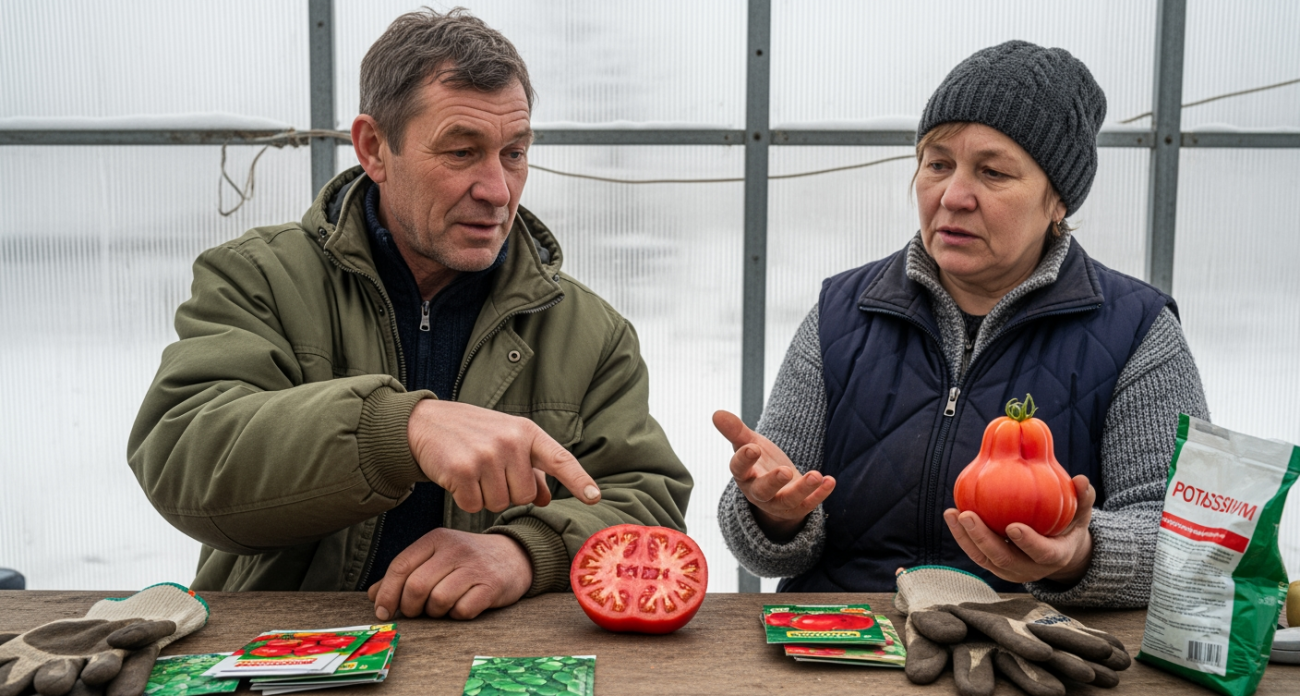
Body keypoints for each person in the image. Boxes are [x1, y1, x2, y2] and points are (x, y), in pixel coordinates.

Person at [128, 8, 692, 621]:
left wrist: (527, 551)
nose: (497, 189)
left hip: (492, 652)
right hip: (281, 647)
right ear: (374, 148)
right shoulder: (261, 277)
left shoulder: (587, 329)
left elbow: (646, 504)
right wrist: (397, 431)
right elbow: (184, 455)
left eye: (514, 153)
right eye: (461, 151)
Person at [715, 40, 1208, 607]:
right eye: (938, 164)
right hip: (848, 637)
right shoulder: (843, 312)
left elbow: (1188, 545)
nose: (953, 196)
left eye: (992, 172)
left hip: (1027, 641)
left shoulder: (1137, 331)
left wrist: (1080, 556)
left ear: (1058, 202)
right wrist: (773, 515)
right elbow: (766, 544)